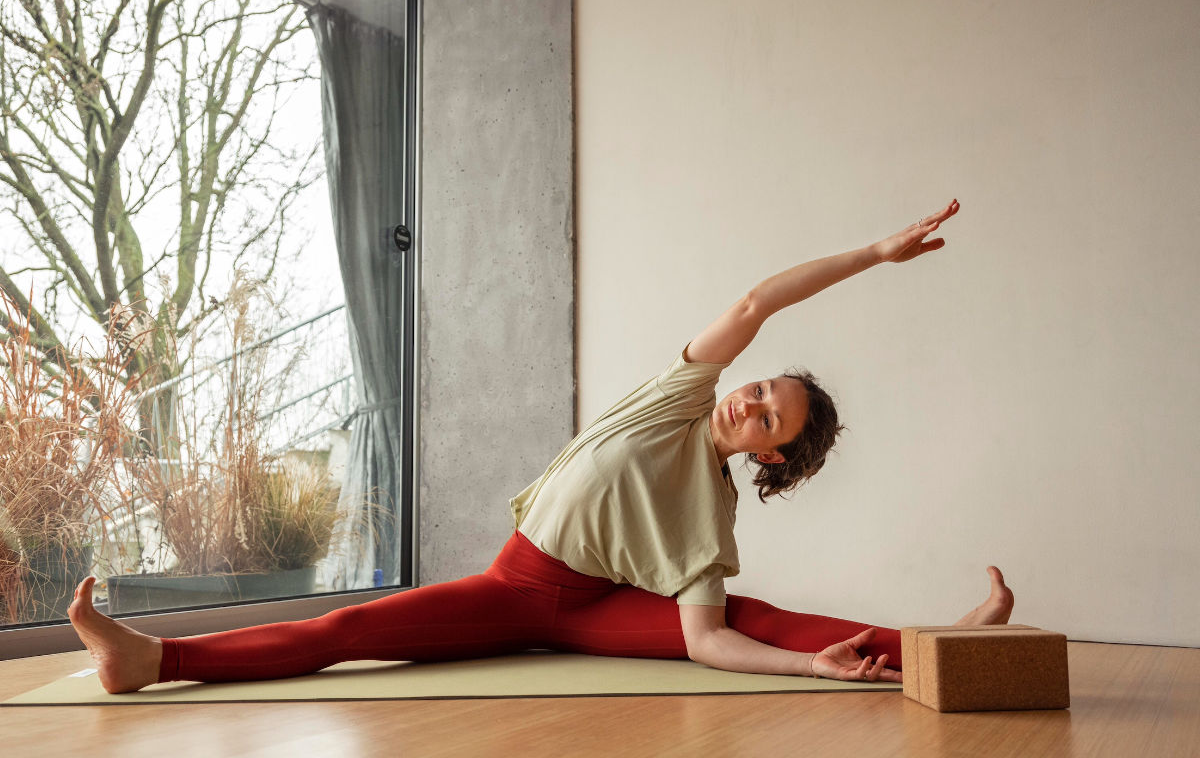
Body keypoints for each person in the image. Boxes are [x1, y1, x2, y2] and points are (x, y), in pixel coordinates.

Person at [68, 198, 1015, 694]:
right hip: (519, 586)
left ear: (769, 458)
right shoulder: (678, 399)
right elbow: (758, 301)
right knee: (350, 632)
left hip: (598, 611)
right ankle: (157, 661)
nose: (753, 405)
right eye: (763, 390)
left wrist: (812, 669)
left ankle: (942, 649)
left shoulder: (711, 511)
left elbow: (707, 640)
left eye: (772, 421)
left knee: (761, 618)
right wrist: (872, 255)